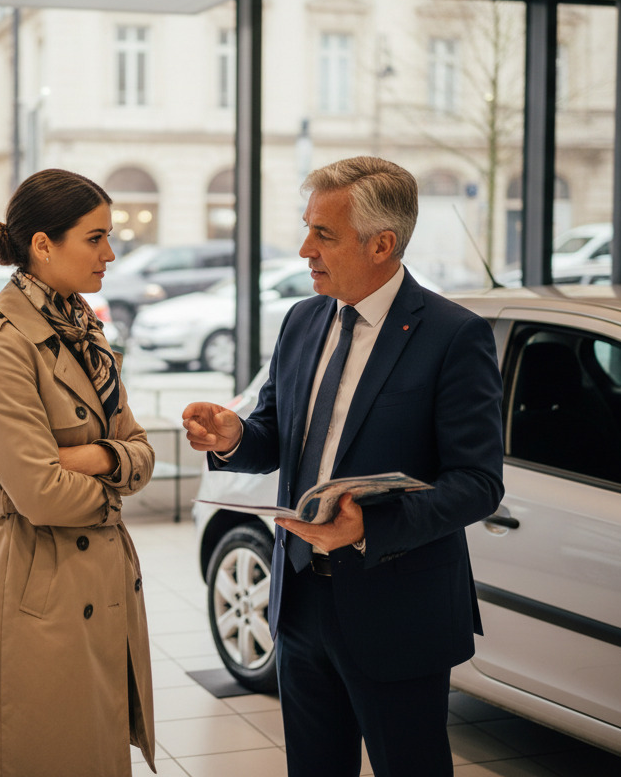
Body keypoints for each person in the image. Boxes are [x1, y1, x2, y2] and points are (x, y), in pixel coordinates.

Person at [182, 156, 503, 777]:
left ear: (382, 244)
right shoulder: (303, 320)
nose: (304, 249)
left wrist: (368, 529)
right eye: (308, 229)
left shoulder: (452, 335)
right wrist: (233, 436)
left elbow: (478, 484)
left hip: (396, 611)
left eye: (323, 235)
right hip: (300, 602)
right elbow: (276, 435)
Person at [0, 168, 157, 777]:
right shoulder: (0, 347)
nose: (110, 253)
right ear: (43, 245)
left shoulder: (86, 334)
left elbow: (142, 450)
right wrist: (112, 470)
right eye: (94, 238)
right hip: (34, 586)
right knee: (45, 753)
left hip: (100, 580)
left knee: (97, 753)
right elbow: (40, 496)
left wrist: (96, 457)